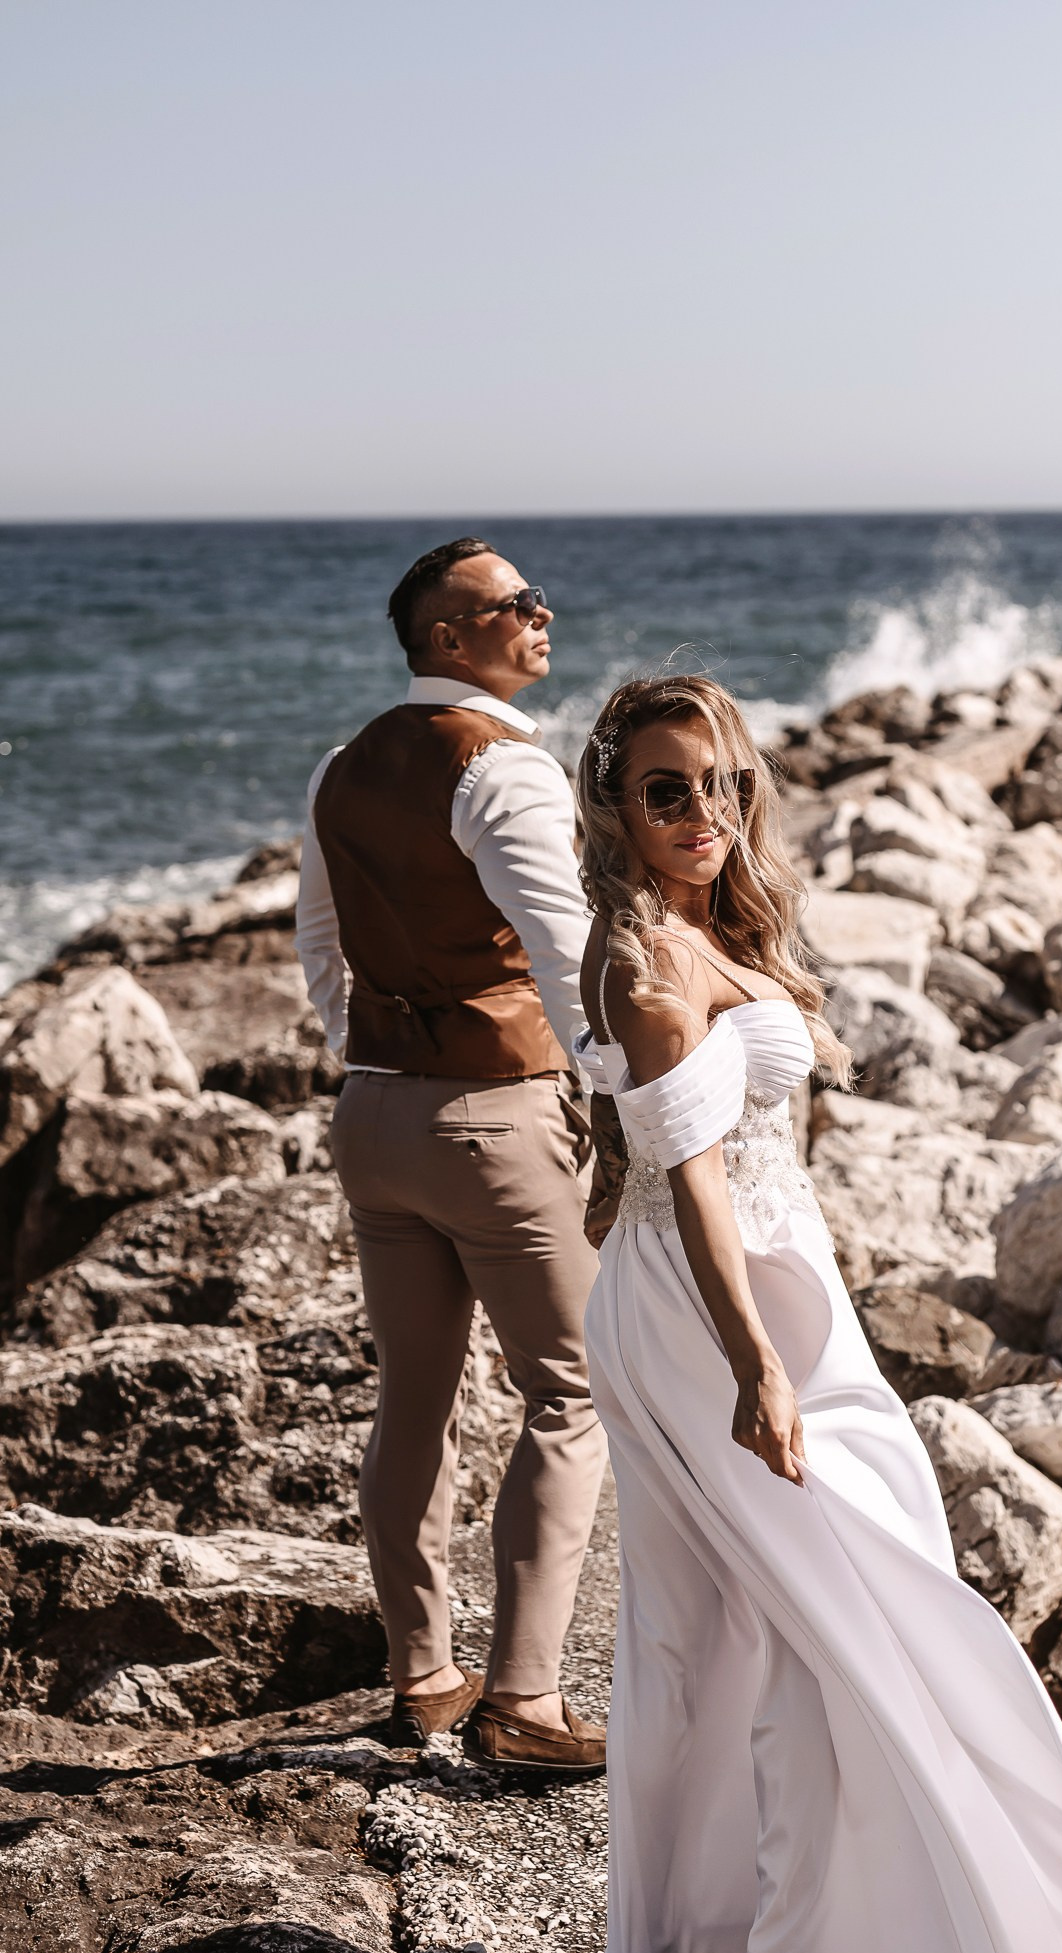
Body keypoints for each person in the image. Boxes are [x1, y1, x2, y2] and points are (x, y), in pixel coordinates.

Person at [572, 674, 1062, 1953]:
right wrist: (753, 1370)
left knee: (797, 1601)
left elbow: (746, 1123)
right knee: (815, 1603)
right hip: (701, 1313)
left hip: (787, 1283)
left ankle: (731, 1929)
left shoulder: (714, 923)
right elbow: (695, 1184)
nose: (702, 811)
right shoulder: (644, 958)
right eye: (666, 790)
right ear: (613, 801)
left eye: (719, 781)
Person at [295, 536, 608, 1767]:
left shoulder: (340, 764)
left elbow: (325, 948)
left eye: (535, 596)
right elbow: (564, 949)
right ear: (445, 637)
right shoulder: (505, 767)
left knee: (414, 1401)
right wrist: (616, 1088)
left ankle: (424, 1676)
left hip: (374, 1117)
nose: (542, 613)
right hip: (496, 1120)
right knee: (567, 1395)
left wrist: (376, 1052)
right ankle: (526, 1703)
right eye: (511, 605)